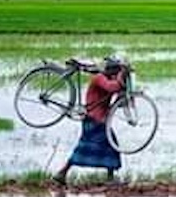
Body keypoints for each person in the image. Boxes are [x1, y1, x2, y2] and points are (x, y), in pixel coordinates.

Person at [53, 56, 127, 186]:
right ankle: (62, 173)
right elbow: (112, 88)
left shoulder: (109, 78)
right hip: (94, 119)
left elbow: (118, 96)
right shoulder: (99, 78)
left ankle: (63, 173)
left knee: (109, 145)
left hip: (101, 120)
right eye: (115, 71)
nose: (116, 74)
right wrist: (122, 75)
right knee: (86, 147)